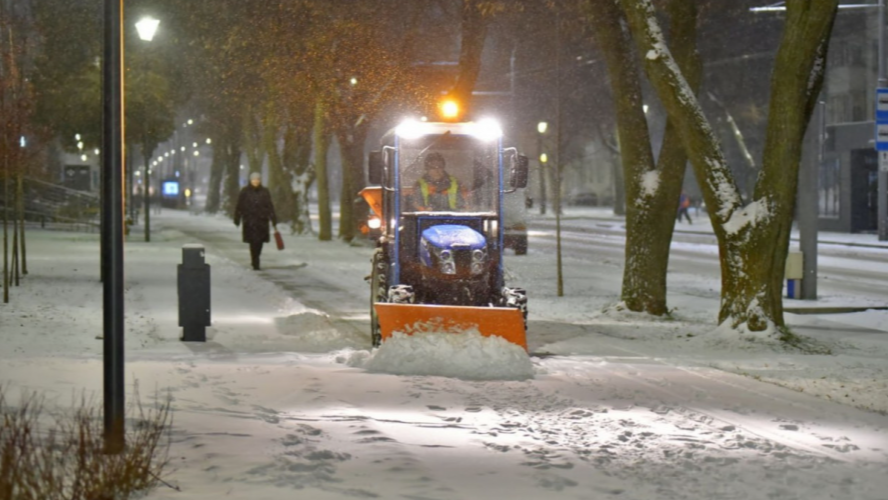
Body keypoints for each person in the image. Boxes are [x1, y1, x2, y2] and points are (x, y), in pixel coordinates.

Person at [234, 172, 278, 270]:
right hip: (250, 220)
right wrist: (237, 218)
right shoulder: (245, 191)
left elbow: (269, 205)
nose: (255, 181)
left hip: (262, 220)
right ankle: (255, 260)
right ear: (250, 180)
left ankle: (256, 257)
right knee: (253, 241)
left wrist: (273, 218)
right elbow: (239, 205)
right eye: (254, 179)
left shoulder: (265, 191)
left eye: (257, 179)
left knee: (259, 242)